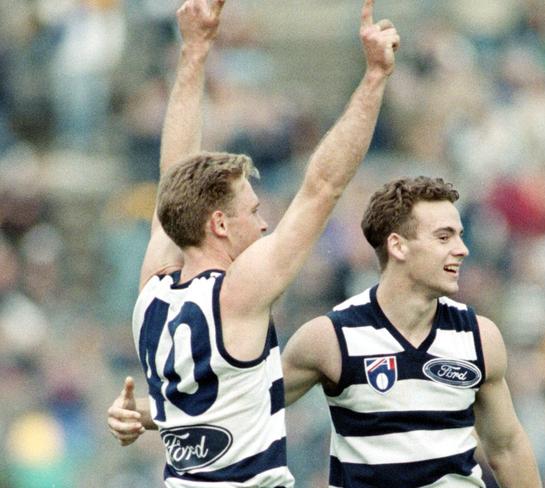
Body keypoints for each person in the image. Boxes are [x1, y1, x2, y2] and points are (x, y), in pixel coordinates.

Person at [106, 0, 400, 486]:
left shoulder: (152, 293)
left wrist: (195, 51)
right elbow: (322, 187)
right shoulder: (237, 293)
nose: (264, 226)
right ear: (219, 225)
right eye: (254, 212)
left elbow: (171, 177)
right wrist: (373, 79)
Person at [111, 176, 543, 487]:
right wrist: (146, 416)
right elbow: (242, 400)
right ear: (398, 246)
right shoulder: (332, 338)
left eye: (460, 235)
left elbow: (505, 447)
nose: (461, 249)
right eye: (445, 236)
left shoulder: (478, 336)